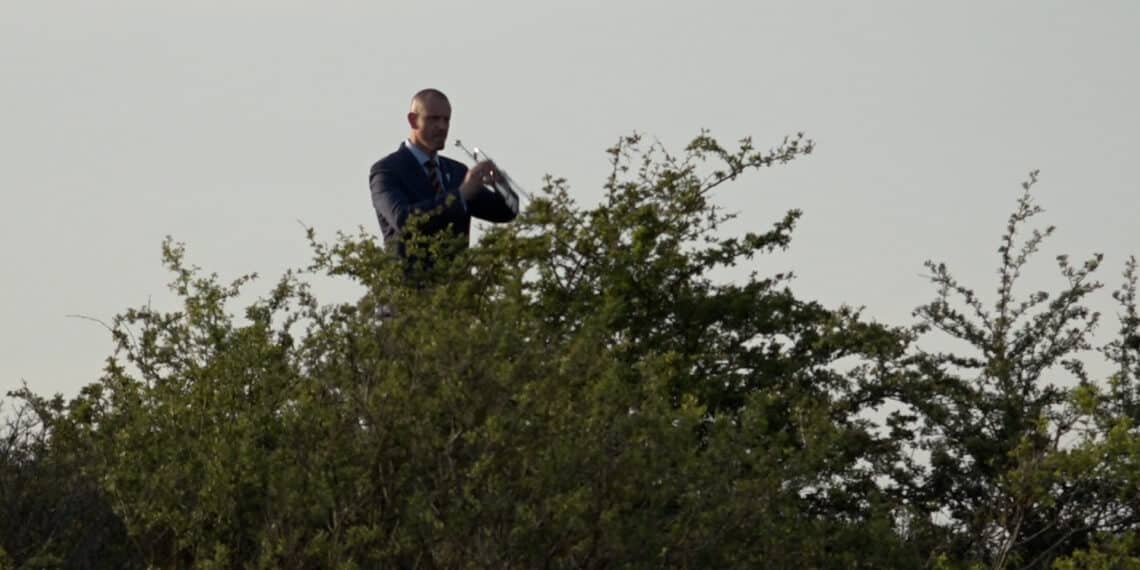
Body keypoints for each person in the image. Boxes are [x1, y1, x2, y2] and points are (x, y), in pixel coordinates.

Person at [369, 88, 517, 270]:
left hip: (456, 292)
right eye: (433, 119)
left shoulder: (456, 171)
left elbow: (505, 212)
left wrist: (500, 184)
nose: (442, 126)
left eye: (446, 120)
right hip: (410, 291)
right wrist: (459, 196)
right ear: (413, 120)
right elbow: (403, 219)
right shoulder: (387, 170)